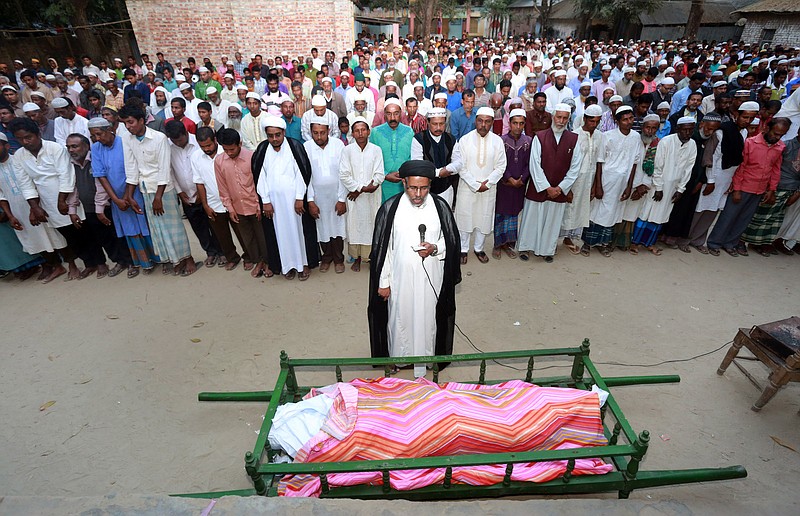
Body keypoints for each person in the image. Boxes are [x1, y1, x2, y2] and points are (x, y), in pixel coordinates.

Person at [367, 160, 461, 375]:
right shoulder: (390, 209)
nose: (418, 193)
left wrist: (435, 248)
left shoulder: (440, 207)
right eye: (412, 187)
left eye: (424, 188)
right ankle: (400, 359)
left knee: (427, 319)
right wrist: (383, 283)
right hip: (400, 279)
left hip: (431, 278)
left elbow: (451, 241)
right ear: (403, 183)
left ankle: (426, 359)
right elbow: (384, 251)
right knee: (399, 319)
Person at [119, 104, 199, 276]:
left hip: (164, 190)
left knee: (174, 226)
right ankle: (174, 260)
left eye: (131, 122)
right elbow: (131, 167)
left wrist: (158, 197)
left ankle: (188, 258)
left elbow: (164, 169)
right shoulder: (127, 139)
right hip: (145, 188)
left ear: (141, 121)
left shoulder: (159, 138)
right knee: (158, 229)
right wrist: (130, 195)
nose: (128, 126)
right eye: (125, 123)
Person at [7, 117, 81, 282]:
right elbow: (25, 182)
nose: (25, 142)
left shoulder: (55, 148)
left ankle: (90, 262)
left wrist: (62, 200)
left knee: (77, 230)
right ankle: (71, 265)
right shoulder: (19, 156)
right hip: (43, 198)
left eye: (28, 137)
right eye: (19, 139)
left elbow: (65, 175)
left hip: (65, 194)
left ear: (38, 133)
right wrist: (34, 207)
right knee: (60, 233)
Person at [708, 118, 790, 256]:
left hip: (760, 189)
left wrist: (772, 189)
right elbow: (741, 167)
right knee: (728, 216)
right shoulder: (750, 143)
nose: (777, 137)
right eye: (775, 133)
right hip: (743, 186)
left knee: (744, 219)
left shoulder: (780, 147)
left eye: (781, 135)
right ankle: (714, 243)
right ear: (767, 129)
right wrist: (737, 189)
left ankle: (731, 244)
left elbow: (776, 169)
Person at [251, 116, 319, 280]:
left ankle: (303, 264)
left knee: (299, 232)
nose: (274, 139)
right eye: (270, 135)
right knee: (280, 234)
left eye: (277, 135)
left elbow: (303, 174)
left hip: (295, 202)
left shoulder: (295, 147)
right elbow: (259, 177)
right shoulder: (262, 150)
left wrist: (299, 198)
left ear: (283, 132)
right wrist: (265, 201)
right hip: (274, 204)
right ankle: (287, 265)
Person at [90, 117, 159, 277]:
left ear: (110, 130)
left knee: (145, 226)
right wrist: (116, 199)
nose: (98, 138)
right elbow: (101, 176)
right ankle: (141, 262)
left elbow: (133, 169)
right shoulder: (96, 149)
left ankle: (159, 259)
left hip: (134, 192)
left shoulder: (125, 142)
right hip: (116, 198)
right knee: (130, 230)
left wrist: (128, 195)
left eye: (99, 134)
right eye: (94, 136)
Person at [517, 104, 583, 263]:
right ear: (553, 117)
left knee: (553, 221)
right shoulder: (539, 136)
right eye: (558, 117)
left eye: (564, 118)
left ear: (568, 119)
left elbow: (575, 167)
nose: (561, 121)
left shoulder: (574, 139)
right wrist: (546, 187)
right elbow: (534, 164)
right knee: (532, 218)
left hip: (559, 189)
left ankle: (547, 250)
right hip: (539, 187)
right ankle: (526, 247)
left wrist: (560, 188)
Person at [692, 102, 759, 254]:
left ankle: (699, 240)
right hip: (714, 176)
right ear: (736, 115)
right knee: (701, 208)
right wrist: (710, 181)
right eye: (745, 117)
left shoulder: (742, 133)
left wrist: (733, 182)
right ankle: (688, 238)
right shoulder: (721, 132)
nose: (747, 121)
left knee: (713, 210)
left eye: (751, 118)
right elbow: (712, 158)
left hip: (727, 178)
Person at [65, 132, 130, 278]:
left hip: (105, 206)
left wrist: (99, 209)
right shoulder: (71, 164)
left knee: (115, 235)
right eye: (68, 147)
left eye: (74, 146)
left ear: (86, 146)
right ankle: (117, 261)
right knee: (102, 237)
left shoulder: (96, 159)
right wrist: (72, 209)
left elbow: (101, 186)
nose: (71, 150)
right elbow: (72, 187)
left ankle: (126, 260)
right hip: (88, 208)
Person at [630, 117, 698, 254]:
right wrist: (659, 188)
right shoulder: (666, 142)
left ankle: (650, 243)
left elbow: (688, 169)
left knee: (661, 216)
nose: (687, 133)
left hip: (673, 188)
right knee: (646, 214)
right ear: (678, 129)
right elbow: (658, 167)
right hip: (657, 185)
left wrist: (680, 189)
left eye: (691, 130)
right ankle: (635, 242)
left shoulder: (692, 145)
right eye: (685, 130)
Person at [0, 132, 61, 281]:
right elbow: (1, 196)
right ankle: (49, 265)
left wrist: (34, 208)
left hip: (35, 205)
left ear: (6, 146)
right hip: (17, 210)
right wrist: (10, 215)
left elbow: (35, 183)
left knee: (50, 235)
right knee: (32, 239)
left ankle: (60, 265)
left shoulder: (20, 160)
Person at [582, 106, 641, 256]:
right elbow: (599, 162)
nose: (628, 122)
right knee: (596, 213)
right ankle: (587, 244)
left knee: (613, 214)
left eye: (631, 119)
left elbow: (635, 163)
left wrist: (629, 186)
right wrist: (598, 186)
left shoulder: (636, 137)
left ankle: (603, 244)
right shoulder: (607, 136)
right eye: (625, 119)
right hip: (606, 181)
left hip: (622, 183)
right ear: (617, 120)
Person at [164, 120, 224, 267]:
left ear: (186, 133)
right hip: (186, 196)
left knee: (214, 225)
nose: (177, 143)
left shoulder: (199, 143)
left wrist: (200, 193)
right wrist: (179, 192)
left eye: (180, 139)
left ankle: (222, 252)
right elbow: (170, 171)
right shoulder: (168, 147)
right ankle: (210, 252)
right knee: (198, 227)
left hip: (205, 193)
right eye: (174, 140)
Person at [661, 113, 723, 252]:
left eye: (713, 130)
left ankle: (676, 238)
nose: (709, 132)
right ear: (701, 125)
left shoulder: (711, 140)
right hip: (680, 179)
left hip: (694, 182)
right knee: (674, 210)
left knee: (686, 212)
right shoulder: (691, 138)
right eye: (707, 128)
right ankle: (665, 236)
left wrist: (701, 181)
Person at [454, 107, 508, 264]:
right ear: (475, 121)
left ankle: (479, 248)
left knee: (483, 218)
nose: (483, 125)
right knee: (465, 218)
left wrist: (488, 183)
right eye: (480, 121)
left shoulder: (498, 142)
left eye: (487, 121)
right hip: (467, 187)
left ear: (492, 122)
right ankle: (463, 249)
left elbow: (501, 166)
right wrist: (474, 184)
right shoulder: (464, 140)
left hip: (488, 188)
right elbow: (460, 166)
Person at [214, 128, 271, 277]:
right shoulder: (219, 161)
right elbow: (223, 187)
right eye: (226, 150)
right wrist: (230, 208)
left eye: (232, 149)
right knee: (248, 239)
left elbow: (260, 183)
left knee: (263, 238)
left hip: (255, 206)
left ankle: (268, 262)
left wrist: (260, 204)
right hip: (238, 208)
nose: (229, 153)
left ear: (240, 143)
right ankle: (258, 262)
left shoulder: (252, 157)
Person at [339, 117, 384, 272]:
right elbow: (344, 174)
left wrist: (363, 190)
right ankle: (357, 258)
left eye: (363, 130)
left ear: (368, 132)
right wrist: (360, 189)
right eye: (357, 130)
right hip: (355, 197)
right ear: (352, 133)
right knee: (355, 226)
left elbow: (379, 174)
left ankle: (370, 257)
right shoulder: (347, 150)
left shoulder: (376, 150)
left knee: (371, 225)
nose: (360, 133)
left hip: (371, 196)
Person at [304, 116, 347, 273]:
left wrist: (342, 199)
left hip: (336, 195)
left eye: (322, 132)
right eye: (315, 133)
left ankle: (338, 258)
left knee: (337, 228)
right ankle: (326, 257)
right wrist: (310, 201)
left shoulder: (338, 145)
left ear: (329, 131)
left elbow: (344, 173)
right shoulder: (306, 147)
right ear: (311, 132)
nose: (319, 136)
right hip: (318, 198)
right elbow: (305, 177)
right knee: (322, 228)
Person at [561, 104, 604, 255]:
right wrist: (568, 188)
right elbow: (567, 163)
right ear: (584, 119)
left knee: (581, 208)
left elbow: (599, 161)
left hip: (589, 178)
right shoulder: (574, 135)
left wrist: (596, 185)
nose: (594, 124)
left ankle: (571, 237)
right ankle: (562, 237)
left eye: (597, 122)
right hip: (575, 179)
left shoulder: (600, 136)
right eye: (591, 121)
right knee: (568, 208)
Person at [492, 108, 531, 259]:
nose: (518, 127)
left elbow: (530, 164)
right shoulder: (501, 141)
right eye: (515, 123)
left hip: (520, 185)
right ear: (509, 123)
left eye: (521, 123)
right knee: (501, 213)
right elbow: (499, 163)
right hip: (504, 185)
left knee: (514, 214)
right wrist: (509, 178)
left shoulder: (528, 141)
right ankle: (498, 244)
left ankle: (508, 243)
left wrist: (522, 179)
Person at [410, 107, 460, 208]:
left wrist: (448, 169)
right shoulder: (418, 139)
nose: (438, 127)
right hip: (424, 191)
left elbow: (458, 163)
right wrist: (439, 173)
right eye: (434, 124)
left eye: (441, 124)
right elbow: (418, 166)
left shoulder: (451, 139)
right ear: (428, 123)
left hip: (446, 189)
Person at [370, 98, 414, 203]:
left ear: (401, 114)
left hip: (403, 182)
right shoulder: (376, 132)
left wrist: (404, 173)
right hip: (382, 183)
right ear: (384, 114)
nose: (392, 118)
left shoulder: (409, 132)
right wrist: (385, 175)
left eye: (396, 113)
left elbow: (411, 157)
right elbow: (372, 158)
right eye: (389, 114)